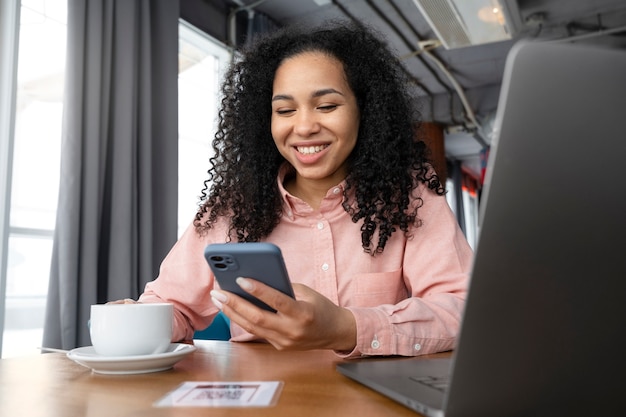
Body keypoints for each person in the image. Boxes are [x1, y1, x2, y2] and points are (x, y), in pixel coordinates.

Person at [137, 20, 473, 358]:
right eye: (284, 110)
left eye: (327, 106)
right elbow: (171, 306)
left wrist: (346, 327)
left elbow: (462, 310)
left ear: (364, 110)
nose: (304, 127)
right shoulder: (230, 210)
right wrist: (136, 318)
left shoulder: (410, 196)